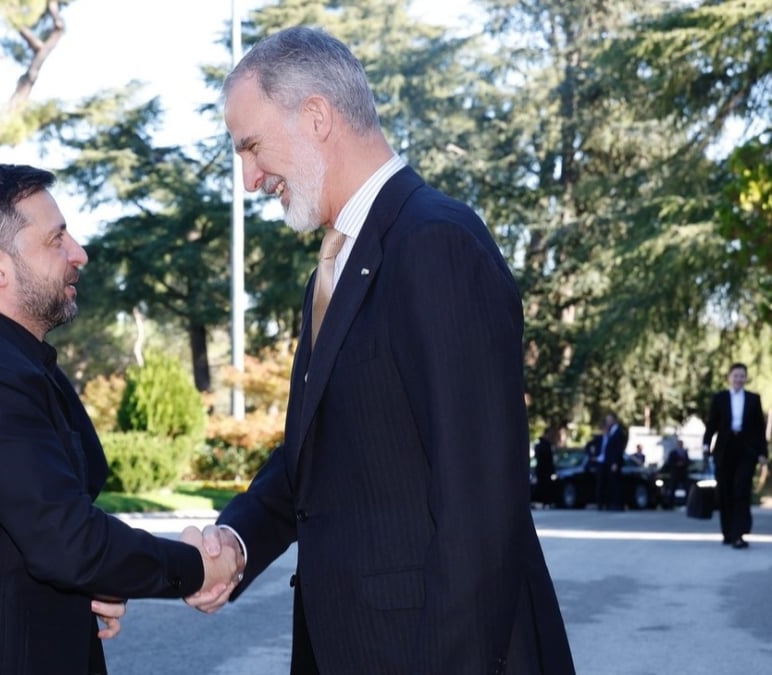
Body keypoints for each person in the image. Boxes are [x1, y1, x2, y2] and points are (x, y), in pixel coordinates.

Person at [185, 26, 574, 674]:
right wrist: (236, 539)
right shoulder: (337, 266)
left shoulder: (435, 243)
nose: (250, 178)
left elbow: (480, 504)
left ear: (316, 116)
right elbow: (318, 457)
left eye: (251, 147)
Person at [0, 164, 241, 674]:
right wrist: (196, 567)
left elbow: (16, 534)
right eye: (56, 240)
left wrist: (96, 583)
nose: (79, 253)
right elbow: (65, 540)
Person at [702, 362, 767, 549]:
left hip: (746, 449)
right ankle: (728, 532)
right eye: (735, 375)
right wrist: (706, 444)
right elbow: (711, 423)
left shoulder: (754, 399)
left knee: (741, 490)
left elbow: (759, 429)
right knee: (725, 491)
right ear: (729, 377)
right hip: (725, 449)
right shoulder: (720, 398)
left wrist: (762, 453)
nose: (739, 379)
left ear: (746, 378)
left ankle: (739, 534)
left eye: (742, 376)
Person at [594, 413, 628, 511]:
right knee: (611, 484)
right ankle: (612, 503)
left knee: (616, 484)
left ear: (614, 420)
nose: (607, 422)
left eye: (609, 420)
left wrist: (615, 462)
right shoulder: (611, 432)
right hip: (608, 462)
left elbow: (618, 449)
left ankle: (618, 504)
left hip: (614, 462)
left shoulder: (618, 432)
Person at [534, 425, 559, 506]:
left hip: (545, 470)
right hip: (543, 470)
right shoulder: (542, 446)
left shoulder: (547, 445)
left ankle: (546, 502)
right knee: (544, 487)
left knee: (547, 487)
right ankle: (545, 502)